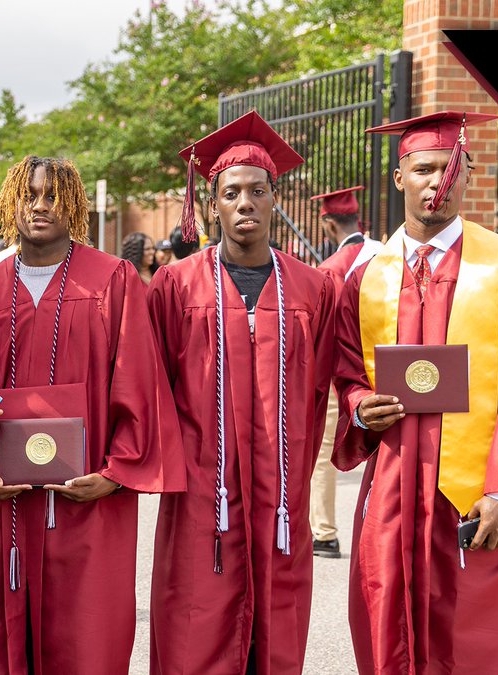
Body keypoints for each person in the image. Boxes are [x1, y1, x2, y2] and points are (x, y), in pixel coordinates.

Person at [336, 111, 498, 674]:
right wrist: (358, 407)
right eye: (423, 169)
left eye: (449, 170)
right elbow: (348, 369)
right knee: (390, 631)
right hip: (397, 486)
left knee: (486, 640)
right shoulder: (368, 276)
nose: (435, 183)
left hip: (482, 492)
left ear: (468, 174)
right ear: (399, 177)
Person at [0, 156, 184, 674]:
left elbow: (140, 384)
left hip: (90, 507)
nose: (40, 205)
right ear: (11, 201)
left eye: (53, 195)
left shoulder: (114, 280)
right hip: (6, 507)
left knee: (90, 642)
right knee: (3, 637)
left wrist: (115, 475)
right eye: (29, 194)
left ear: (75, 206)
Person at [148, 111, 337, 675]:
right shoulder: (174, 286)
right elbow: (146, 386)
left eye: (258, 190)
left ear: (275, 199)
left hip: (281, 495)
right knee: (195, 626)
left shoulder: (313, 288)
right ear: (213, 205)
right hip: (202, 496)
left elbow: (331, 381)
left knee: (276, 636)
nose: (246, 202)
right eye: (232, 193)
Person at [306, 185, 383, 561]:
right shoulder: (385, 254)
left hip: (344, 371)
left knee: (322, 453)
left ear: (327, 225)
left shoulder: (331, 269)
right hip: (386, 368)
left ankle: (324, 533)